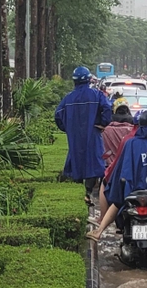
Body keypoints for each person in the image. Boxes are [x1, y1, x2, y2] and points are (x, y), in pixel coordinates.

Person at [86, 111, 147, 241]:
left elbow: (122, 169)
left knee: (117, 202)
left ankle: (99, 231)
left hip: (133, 192)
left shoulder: (130, 143)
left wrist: (120, 187)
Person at [55, 66, 112, 206]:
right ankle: (87, 191)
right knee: (93, 163)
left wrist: (68, 128)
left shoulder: (68, 98)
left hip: (75, 136)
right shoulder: (96, 95)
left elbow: (58, 115)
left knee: (76, 161)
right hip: (92, 133)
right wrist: (102, 123)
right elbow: (107, 108)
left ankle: (79, 191)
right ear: (89, 79)